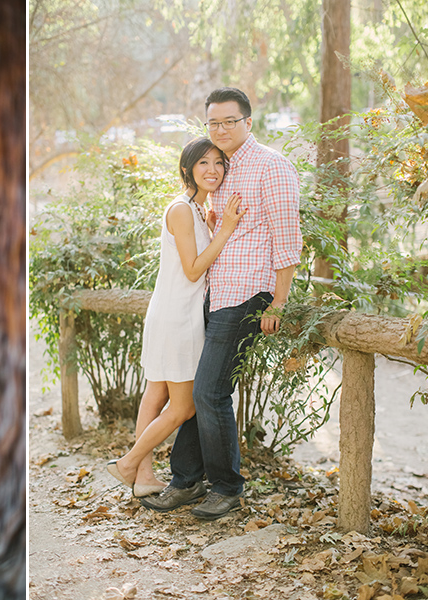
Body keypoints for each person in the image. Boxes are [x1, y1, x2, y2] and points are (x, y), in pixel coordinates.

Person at [140, 87, 303, 520]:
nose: (222, 129)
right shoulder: (219, 167)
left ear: (248, 122)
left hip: (249, 294)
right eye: (214, 122)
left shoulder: (272, 166)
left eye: (230, 121)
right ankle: (186, 480)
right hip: (212, 294)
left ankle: (227, 487)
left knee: (209, 391)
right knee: (199, 389)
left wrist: (279, 302)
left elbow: (287, 240)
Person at [106, 137, 244, 497]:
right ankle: (128, 463)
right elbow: (195, 269)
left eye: (218, 163)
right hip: (177, 318)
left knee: (155, 394)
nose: (212, 170)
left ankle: (144, 478)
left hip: (173, 313)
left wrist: (213, 226)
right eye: (203, 163)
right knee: (182, 406)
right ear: (187, 169)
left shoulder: (197, 210)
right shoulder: (182, 209)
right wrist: (226, 229)